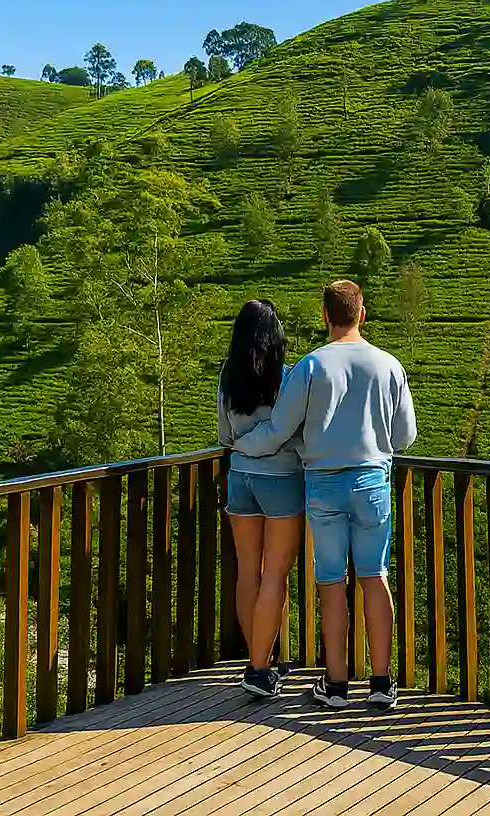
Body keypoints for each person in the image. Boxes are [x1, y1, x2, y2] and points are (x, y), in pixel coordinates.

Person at [234, 279, 417, 710]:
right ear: (362, 313)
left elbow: (279, 431)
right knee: (374, 576)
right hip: (373, 481)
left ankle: (335, 684)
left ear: (325, 317)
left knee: (332, 583)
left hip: (323, 484)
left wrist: (241, 445)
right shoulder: (388, 365)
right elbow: (406, 436)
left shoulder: (310, 367)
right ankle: (381, 682)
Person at [217, 299, 306, 700]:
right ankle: (260, 666)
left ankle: (260, 660)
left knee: (248, 572)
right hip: (282, 480)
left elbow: (224, 436)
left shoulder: (227, 377)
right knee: (276, 576)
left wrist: (241, 449)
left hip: (240, 479)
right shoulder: (285, 378)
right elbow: (294, 432)